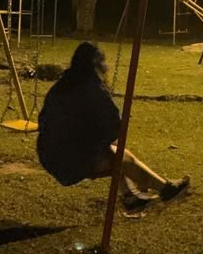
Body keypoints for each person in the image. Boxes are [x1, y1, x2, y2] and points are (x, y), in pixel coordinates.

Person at [37, 42, 190, 212]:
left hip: (49, 154)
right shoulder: (93, 89)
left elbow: (47, 120)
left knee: (113, 148)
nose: (107, 66)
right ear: (95, 65)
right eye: (103, 61)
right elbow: (115, 127)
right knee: (122, 156)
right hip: (72, 161)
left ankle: (130, 196)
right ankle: (166, 189)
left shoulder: (64, 84)